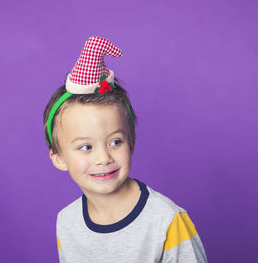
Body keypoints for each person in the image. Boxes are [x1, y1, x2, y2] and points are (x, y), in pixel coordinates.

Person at [43, 36, 208, 263]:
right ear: (59, 158)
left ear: (131, 143)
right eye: (86, 147)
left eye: (115, 142)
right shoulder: (66, 221)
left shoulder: (167, 221)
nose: (103, 158)